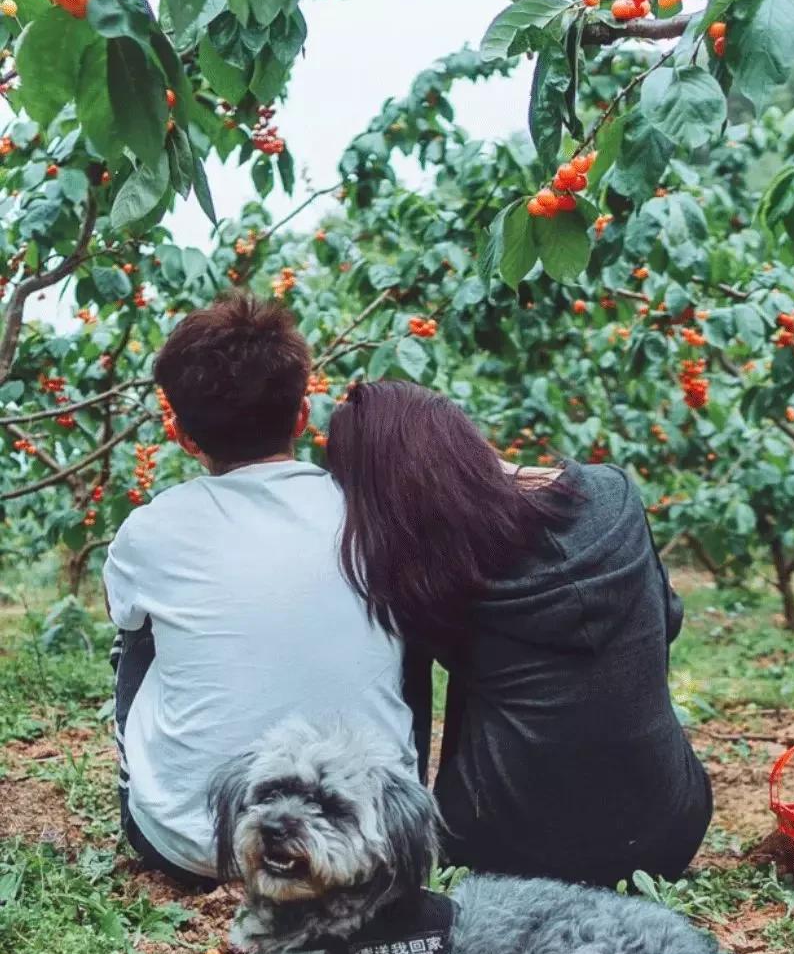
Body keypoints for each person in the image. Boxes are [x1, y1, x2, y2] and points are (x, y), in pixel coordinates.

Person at [326, 380, 712, 889]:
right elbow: (668, 620)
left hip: (508, 851)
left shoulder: (428, 573)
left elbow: (409, 718)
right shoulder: (613, 494)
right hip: (669, 830)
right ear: (462, 437)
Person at [103, 294, 415, 887]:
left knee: (136, 636)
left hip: (191, 843)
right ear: (302, 416)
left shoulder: (151, 527)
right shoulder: (372, 516)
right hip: (364, 836)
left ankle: (165, 794)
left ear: (183, 435)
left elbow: (125, 616)